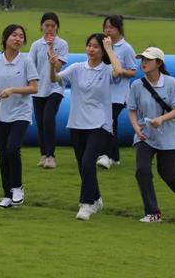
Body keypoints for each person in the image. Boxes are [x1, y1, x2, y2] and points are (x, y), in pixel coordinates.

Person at [49, 33, 124, 220]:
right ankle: (96, 198)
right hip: (77, 123)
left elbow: (119, 72)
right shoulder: (76, 68)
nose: (91, 49)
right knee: (83, 166)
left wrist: (109, 49)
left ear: (102, 50)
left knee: (88, 162)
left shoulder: (107, 70)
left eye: (95, 47)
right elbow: (55, 79)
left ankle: (86, 204)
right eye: (89, 45)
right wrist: (52, 66)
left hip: (100, 124)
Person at [128, 47, 175, 223]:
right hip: (145, 135)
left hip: (168, 135)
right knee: (142, 171)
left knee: (169, 174)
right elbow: (131, 110)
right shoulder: (136, 85)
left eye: (148, 59)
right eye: (142, 59)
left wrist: (161, 119)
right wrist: (136, 129)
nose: (143, 63)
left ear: (159, 63)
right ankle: (153, 213)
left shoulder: (171, 83)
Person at [0, 25, 38, 208]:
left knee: (13, 148)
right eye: (14, 35)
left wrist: (13, 90)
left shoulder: (27, 61)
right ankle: (7, 194)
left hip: (21, 113)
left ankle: (17, 187)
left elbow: (34, 88)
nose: (18, 39)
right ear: (5, 38)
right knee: (3, 154)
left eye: (21, 36)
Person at [97, 15, 137, 169]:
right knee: (111, 124)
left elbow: (133, 71)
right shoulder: (103, 45)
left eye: (111, 27)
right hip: (103, 92)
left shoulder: (126, 48)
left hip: (119, 94)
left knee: (108, 121)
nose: (108, 30)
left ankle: (105, 156)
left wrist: (119, 72)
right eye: (105, 27)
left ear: (119, 29)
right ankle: (114, 157)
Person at [29, 12, 69, 169]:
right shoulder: (35, 45)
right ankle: (43, 155)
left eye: (53, 26)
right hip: (39, 89)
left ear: (57, 27)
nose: (50, 29)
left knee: (48, 119)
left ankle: (51, 156)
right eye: (47, 26)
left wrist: (52, 49)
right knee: (40, 123)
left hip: (55, 88)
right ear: (41, 26)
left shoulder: (62, 44)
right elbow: (30, 67)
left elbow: (58, 67)